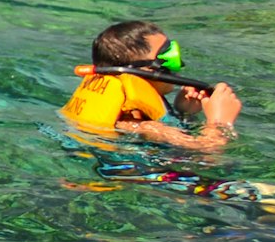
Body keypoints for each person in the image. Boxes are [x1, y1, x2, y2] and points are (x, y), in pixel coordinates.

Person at [62, 19, 241, 155]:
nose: (177, 67)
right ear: (139, 71)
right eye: (167, 58)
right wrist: (219, 122)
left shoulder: (130, 114)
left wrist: (183, 113)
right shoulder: (141, 126)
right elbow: (207, 154)